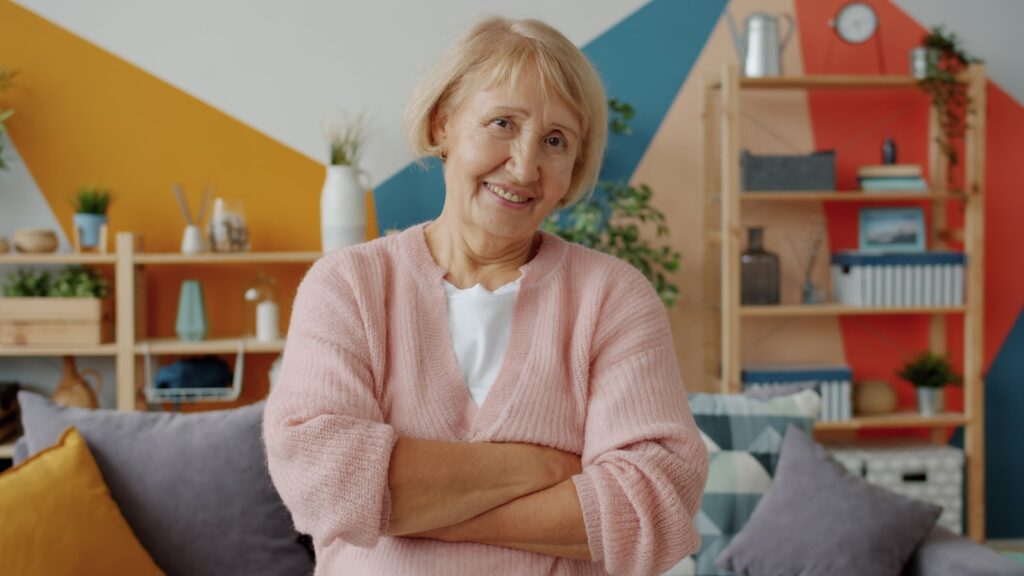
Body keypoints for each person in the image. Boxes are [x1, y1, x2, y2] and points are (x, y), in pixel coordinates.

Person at [263, 15, 708, 576]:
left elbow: (653, 502)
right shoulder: (348, 286)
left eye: (555, 141)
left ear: (572, 169)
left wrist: (395, 509)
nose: (524, 165)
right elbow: (321, 479)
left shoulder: (614, 298)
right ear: (442, 124)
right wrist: (542, 470)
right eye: (502, 123)